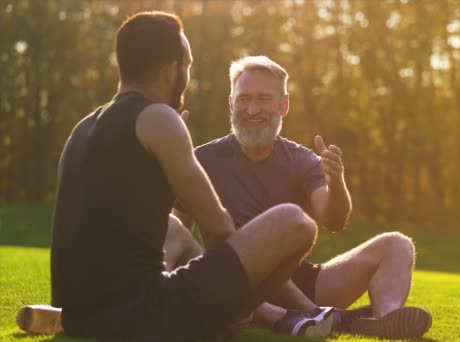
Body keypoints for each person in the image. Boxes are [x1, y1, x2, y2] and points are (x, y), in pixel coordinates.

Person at [22, 12, 335, 340]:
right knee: (294, 223)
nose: (187, 75)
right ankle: (236, 319)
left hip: (79, 315)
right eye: (187, 65)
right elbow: (217, 227)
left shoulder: (83, 128)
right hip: (140, 317)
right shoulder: (158, 118)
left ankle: (276, 316)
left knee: (172, 227)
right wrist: (236, 282)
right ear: (171, 70)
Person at [170, 55, 432, 339]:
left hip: (299, 281)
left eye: (264, 99)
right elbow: (175, 231)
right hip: (233, 282)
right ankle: (328, 317)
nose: (253, 109)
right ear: (231, 104)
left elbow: (333, 219)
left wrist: (336, 183)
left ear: (283, 105)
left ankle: (384, 320)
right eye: (244, 99)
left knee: (397, 244)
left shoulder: (301, 160)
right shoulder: (202, 158)